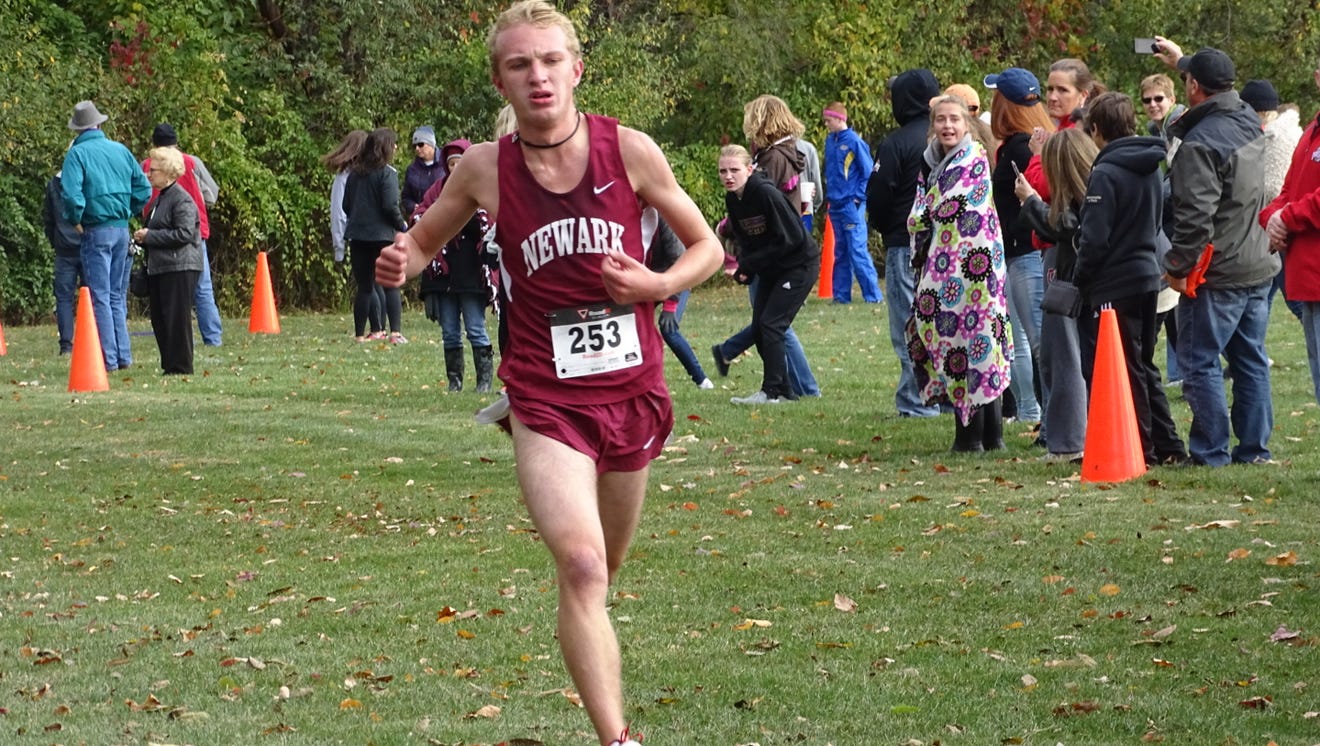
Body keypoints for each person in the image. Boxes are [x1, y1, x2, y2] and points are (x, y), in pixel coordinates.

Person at [374, 3, 723, 744]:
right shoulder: (480, 168)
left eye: (550, 60)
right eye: (520, 64)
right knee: (582, 564)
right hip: (543, 393)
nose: (538, 76)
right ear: (501, 81)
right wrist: (404, 262)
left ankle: (589, 636)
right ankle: (618, 738)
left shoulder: (628, 151)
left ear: (576, 69)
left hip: (631, 390)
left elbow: (706, 248)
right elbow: (425, 242)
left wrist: (656, 287)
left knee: (605, 568)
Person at [1154, 39, 1280, 466]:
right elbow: (1214, 85)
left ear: (1191, 87)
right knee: (1249, 360)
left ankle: (1210, 451)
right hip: (1258, 262)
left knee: (1199, 362)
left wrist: (1176, 267)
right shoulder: (1245, 115)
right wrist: (1183, 60)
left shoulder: (1200, 143)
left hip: (1218, 272)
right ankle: (1254, 449)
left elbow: (1194, 220)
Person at [1071, 93, 1187, 466]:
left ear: (1097, 130)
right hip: (1146, 274)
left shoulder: (1105, 172)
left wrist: (1080, 279)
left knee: (1119, 366)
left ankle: (1143, 447)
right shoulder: (1151, 165)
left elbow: (1095, 238)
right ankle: (1166, 443)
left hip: (1112, 281)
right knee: (1142, 363)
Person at [907, 95, 1013, 452]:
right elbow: (928, 205)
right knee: (954, 340)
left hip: (978, 271)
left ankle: (987, 436)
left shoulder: (974, 159)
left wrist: (918, 216)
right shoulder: (930, 161)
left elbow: (953, 205)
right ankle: (971, 435)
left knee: (982, 344)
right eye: (941, 120)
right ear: (933, 125)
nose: (948, 126)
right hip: (944, 267)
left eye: (954, 119)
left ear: (967, 124)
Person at [1015, 128, 1095, 462]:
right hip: (1078, 280)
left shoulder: (1081, 199)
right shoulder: (1097, 191)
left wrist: (1031, 201)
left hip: (1065, 280)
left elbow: (1062, 226)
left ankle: (1067, 442)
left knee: (1062, 360)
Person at [868, 68, 943, 418]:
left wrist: (884, 228)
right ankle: (942, 396)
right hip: (944, 245)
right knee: (939, 321)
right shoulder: (945, 137)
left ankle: (916, 400)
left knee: (908, 323)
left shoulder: (897, 142)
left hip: (905, 242)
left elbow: (879, 194)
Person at [719, 144, 821, 404]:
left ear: (749, 169)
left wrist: (752, 263)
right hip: (773, 267)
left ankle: (771, 391)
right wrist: (745, 267)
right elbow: (746, 240)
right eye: (723, 171)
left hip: (799, 265)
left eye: (734, 170)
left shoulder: (765, 194)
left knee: (772, 324)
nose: (728, 176)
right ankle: (785, 391)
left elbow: (792, 239)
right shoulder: (733, 199)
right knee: (761, 326)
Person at [60, 100, 152, 372]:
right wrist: (127, 211)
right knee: (115, 296)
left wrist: (77, 220)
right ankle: (123, 356)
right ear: (99, 124)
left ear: (77, 130)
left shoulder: (77, 155)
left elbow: (72, 196)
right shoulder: (120, 150)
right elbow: (144, 189)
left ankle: (108, 359)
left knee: (99, 295)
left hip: (96, 230)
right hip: (121, 230)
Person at [986, 68, 1054, 425]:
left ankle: (1044, 413)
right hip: (1026, 249)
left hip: (1025, 251)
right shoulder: (1033, 141)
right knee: (1031, 337)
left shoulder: (1020, 147)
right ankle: (1038, 411)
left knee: (1036, 338)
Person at [415, 139, 496, 392]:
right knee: (449, 331)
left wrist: (464, 216)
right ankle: (455, 381)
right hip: (443, 276)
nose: (454, 168)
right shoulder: (436, 192)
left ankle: (484, 381)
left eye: (459, 163)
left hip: (470, 273)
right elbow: (420, 217)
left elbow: (488, 225)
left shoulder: (481, 191)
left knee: (475, 327)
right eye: (450, 163)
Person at [1261, 55, 1320, 403]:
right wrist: (1271, 217)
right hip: (1308, 278)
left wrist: (1288, 217)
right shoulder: (1311, 130)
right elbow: (1288, 190)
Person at [142, 123, 223, 347]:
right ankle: (212, 338)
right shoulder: (191, 162)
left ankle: (172, 339)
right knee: (202, 288)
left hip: (157, 232)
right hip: (195, 233)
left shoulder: (146, 166)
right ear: (176, 142)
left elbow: (139, 196)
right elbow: (211, 195)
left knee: (166, 291)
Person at [133, 147, 203, 375]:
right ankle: (170, 364)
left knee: (175, 319)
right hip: (162, 266)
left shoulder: (181, 199)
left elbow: (184, 234)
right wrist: (143, 239)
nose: (149, 174)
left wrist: (150, 236)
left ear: (168, 172)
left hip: (180, 266)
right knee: (160, 319)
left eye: (153, 170)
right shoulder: (160, 200)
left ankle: (181, 366)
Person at [1243, 79, 1305, 321]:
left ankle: (1256, 354)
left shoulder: (1275, 138)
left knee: (1295, 299)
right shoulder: (1290, 132)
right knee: (1265, 294)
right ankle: (1257, 354)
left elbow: (1273, 187)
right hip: (1277, 223)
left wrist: (1273, 221)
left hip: (1279, 228)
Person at [345, 127, 408, 343]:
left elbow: (346, 205)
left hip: (358, 235)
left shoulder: (354, 173)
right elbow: (390, 205)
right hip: (382, 236)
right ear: (386, 147)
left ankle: (359, 335)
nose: (396, 147)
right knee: (391, 285)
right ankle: (395, 333)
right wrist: (402, 225)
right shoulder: (387, 173)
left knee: (364, 287)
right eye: (394, 143)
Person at [642, 208, 714, 389]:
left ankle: (702, 380)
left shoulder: (663, 217)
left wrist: (671, 305)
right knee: (635, 326)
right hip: (647, 282)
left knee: (669, 329)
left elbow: (679, 258)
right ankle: (644, 380)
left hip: (678, 278)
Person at [323, 130, 384, 333]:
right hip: (375, 235)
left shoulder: (347, 178)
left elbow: (338, 214)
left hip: (359, 236)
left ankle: (377, 327)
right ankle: (379, 326)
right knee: (373, 284)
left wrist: (338, 246)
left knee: (367, 285)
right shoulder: (369, 175)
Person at [822, 101, 881, 304]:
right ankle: (841, 296)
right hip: (835, 204)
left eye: (828, 120)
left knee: (857, 250)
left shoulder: (854, 142)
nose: (826, 124)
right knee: (840, 252)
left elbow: (869, 172)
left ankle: (873, 296)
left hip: (851, 205)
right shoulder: (830, 141)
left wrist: (858, 198)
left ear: (839, 119)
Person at [43, 169, 84, 355]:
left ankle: (66, 344)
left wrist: (56, 241)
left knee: (64, 298)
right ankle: (92, 339)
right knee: (93, 296)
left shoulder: (54, 184)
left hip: (63, 249)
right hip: (88, 245)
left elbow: (48, 219)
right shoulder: (87, 180)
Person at [402, 125, 443, 219]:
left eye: (420, 144)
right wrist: (412, 206)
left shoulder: (445, 165)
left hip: (443, 218)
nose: (417, 148)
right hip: (420, 219)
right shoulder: (412, 169)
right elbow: (405, 197)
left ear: (431, 144)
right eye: (414, 145)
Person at [1140, 73, 1186, 141]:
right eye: (1147, 100)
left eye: (1158, 99)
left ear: (1171, 100)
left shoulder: (1181, 127)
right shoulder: (1156, 131)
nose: (1152, 104)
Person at [795, 137, 824, 231]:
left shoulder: (772, 149)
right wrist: (815, 204)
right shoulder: (808, 148)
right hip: (806, 205)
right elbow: (816, 180)